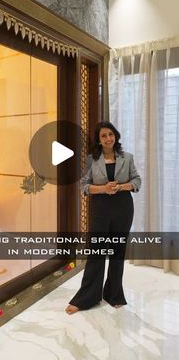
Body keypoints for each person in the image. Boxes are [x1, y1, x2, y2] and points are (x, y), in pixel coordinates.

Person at [65, 121, 141, 315]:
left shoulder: (127, 157)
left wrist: (122, 186)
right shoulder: (91, 160)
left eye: (111, 134)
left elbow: (137, 181)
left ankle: (113, 294)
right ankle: (86, 298)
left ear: (116, 136)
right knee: (96, 252)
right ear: (99, 141)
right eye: (103, 136)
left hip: (123, 207)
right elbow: (83, 186)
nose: (108, 138)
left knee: (117, 252)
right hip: (100, 208)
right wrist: (103, 189)